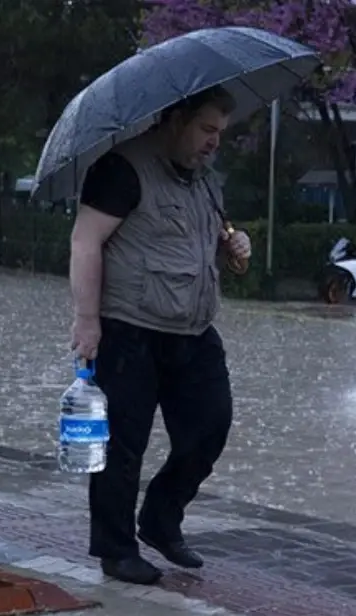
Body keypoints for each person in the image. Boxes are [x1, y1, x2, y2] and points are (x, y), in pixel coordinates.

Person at [68, 85, 251, 585]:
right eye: (207, 129)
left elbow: (205, 244)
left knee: (212, 425)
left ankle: (160, 520)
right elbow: (85, 242)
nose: (215, 142)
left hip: (193, 330)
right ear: (176, 120)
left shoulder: (207, 181)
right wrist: (87, 322)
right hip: (129, 328)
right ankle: (116, 550)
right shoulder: (122, 169)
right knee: (123, 448)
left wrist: (236, 245)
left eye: (220, 133)